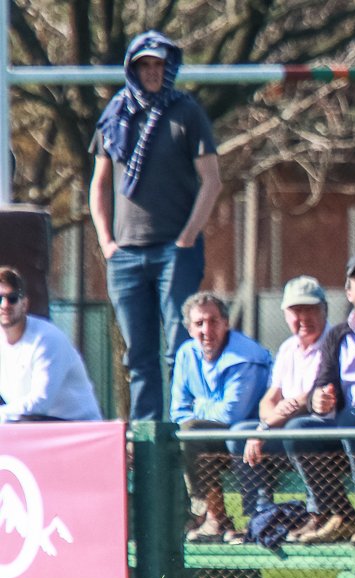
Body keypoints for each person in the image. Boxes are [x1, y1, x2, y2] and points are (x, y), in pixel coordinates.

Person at [89, 30, 222, 421]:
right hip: (125, 256)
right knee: (139, 357)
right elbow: (98, 184)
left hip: (173, 252)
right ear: (132, 68)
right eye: (144, 64)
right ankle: (146, 451)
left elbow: (212, 180)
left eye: (158, 65)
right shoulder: (114, 115)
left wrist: (188, 235)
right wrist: (106, 242)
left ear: (169, 68)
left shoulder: (187, 112)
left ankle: (183, 439)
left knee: (180, 348)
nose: (151, 72)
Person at [283, 251, 355, 545]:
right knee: (298, 431)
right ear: (348, 291)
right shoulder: (338, 335)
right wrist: (318, 400)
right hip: (352, 428)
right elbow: (321, 385)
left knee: (352, 419)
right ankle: (343, 516)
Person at [226, 276, 330, 539]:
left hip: (322, 433)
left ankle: (321, 513)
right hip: (283, 429)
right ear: (285, 314)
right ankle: (259, 518)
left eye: (310, 309)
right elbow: (269, 399)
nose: (303, 317)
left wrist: (265, 426)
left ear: (324, 310)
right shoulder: (287, 348)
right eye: (296, 311)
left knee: (295, 428)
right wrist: (266, 424)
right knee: (240, 434)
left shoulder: (333, 342)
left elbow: (305, 401)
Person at [171, 292, 272, 542]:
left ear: (226, 323)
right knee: (175, 437)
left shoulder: (245, 355)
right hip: (213, 442)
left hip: (253, 440)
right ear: (189, 328)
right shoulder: (186, 353)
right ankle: (198, 519)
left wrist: (199, 405)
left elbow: (232, 414)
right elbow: (177, 411)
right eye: (199, 324)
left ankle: (212, 517)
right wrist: (204, 408)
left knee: (192, 430)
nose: (207, 329)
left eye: (213, 321)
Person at [0, 267, 102, 423]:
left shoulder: (47, 339)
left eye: (12, 298)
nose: (5, 305)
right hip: (30, 424)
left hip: (76, 428)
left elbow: (40, 402)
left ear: (25, 304)